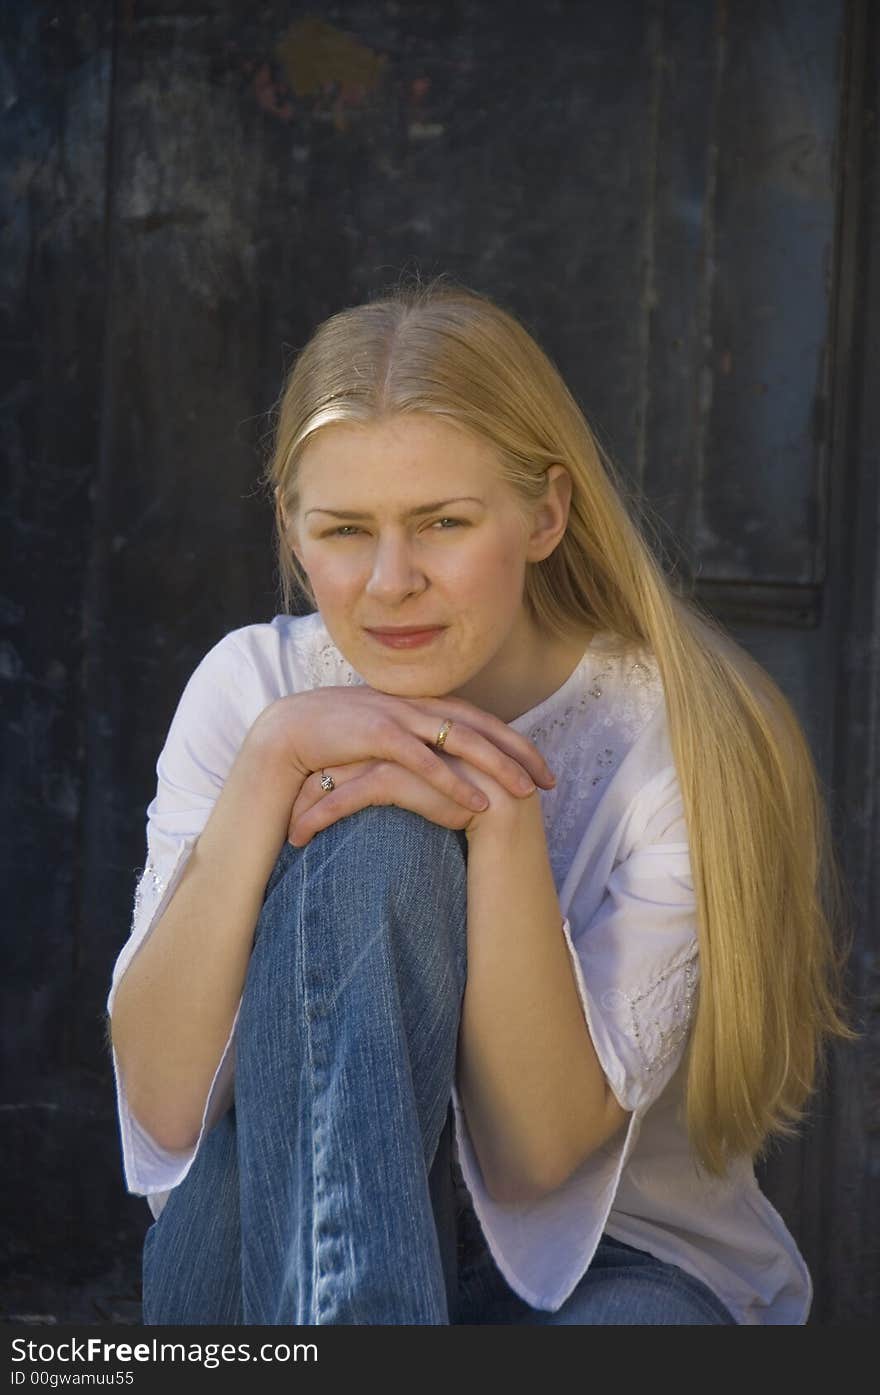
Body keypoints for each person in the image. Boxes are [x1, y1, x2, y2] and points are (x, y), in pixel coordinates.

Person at [106, 276, 856, 1326]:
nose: (389, 582)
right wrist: (273, 763)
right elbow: (161, 1102)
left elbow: (540, 1154)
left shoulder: (675, 731)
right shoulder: (254, 693)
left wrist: (498, 816)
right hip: (265, 1233)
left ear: (546, 512)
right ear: (288, 525)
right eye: (345, 531)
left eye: (443, 523)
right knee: (373, 843)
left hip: (606, 1265)